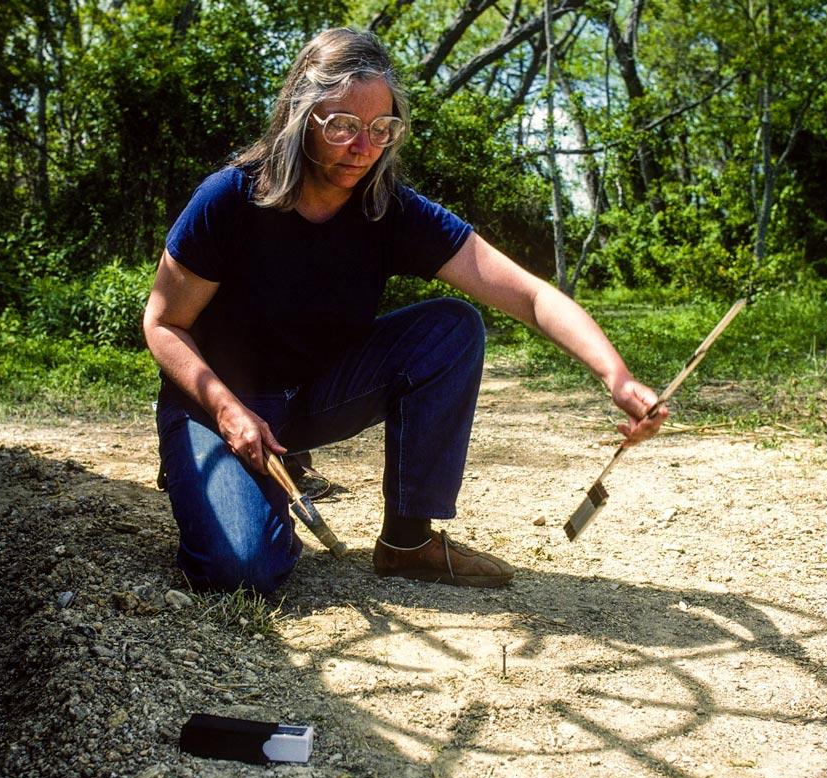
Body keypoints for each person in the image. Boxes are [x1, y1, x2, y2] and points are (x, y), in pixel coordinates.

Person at [142, 27, 667, 596]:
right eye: (341, 126)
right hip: (215, 404)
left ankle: (409, 542)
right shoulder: (229, 199)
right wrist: (224, 409)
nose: (363, 148)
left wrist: (616, 376)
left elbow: (532, 295)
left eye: (381, 129)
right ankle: (213, 479)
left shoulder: (387, 209)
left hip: (315, 397)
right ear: (301, 116)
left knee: (451, 328)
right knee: (243, 570)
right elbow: (163, 323)